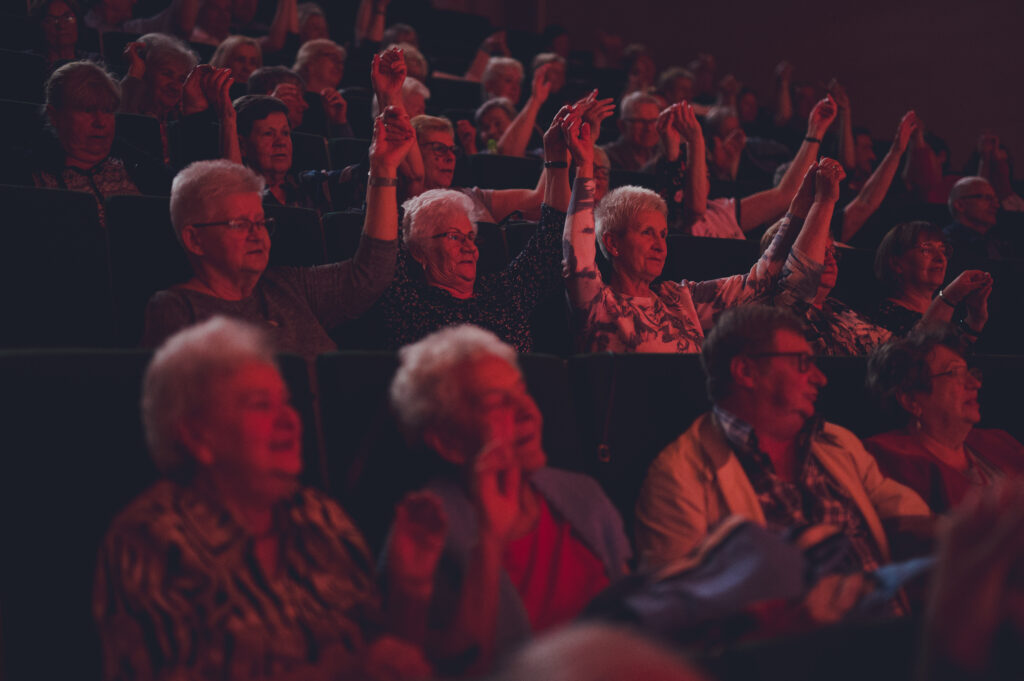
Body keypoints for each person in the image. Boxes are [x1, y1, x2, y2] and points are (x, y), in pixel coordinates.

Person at [95, 316, 439, 681]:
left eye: (287, 402)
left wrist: (410, 590)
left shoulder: (319, 515)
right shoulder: (150, 540)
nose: (290, 420)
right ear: (197, 436)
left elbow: (389, 661)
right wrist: (339, 670)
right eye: (261, 405)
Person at [384, 325, 631, 671]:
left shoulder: (583, 494)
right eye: (496, 403)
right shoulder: (425, 530)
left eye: (522, 390)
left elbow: (637, 617)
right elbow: (457, 670)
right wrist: (488, 539)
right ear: (447, 442)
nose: (527, 411)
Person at [634, 304, 932, 571]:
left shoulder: (837, 442)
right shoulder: (677, 478)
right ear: (746, 372)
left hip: (891, 621)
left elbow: (904, 512)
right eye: (803, 362)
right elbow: (676, 606)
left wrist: (955, 535)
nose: (821, 377)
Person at [141, 106, 412, 357]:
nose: (257, 234)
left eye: (260, 222)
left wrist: (383, 168)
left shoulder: (286, 286)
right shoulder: (176, 309)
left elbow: (371, 274)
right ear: (194, 239)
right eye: (239, 224)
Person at [560, 106, 828, 354]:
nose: (660, 244)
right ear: (612, 243)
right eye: (646, 233)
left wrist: (803, 210)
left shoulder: (678, 299)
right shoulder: (600, 305)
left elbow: (757, 284)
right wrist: (584, 169)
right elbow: (577, 260)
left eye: (663, 234)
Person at [371, 105, 574, 352]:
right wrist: (385, 164)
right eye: (455, 237)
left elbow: (551, 237)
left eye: (470, 237)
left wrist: (556, 156)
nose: (470, 248)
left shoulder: (501, 294)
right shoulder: (409, 305)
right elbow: (381, 245)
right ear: (419, 250)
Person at [864, 330, 1024, 513]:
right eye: (955, 373)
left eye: (969, 372)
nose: (975, 384)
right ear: (911, 401)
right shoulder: (886, 457)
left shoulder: (998, 440)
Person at [658, 95, 838, 238]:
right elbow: (693, 210)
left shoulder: (720, 213)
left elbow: (785, 194)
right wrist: (695, 140)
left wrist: (815, 131)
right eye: (697, 175)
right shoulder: (677, 221)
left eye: (704, 174)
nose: (704, 180)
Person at [872, 221, 992, 339]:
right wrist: (950, 296)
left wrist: (975, 319)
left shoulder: (950, 313)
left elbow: (955, 355)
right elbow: (922, 352)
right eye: (927, 250)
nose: (940, 258)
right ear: (896, 263)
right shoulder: (885, 316)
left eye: (943, 250)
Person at [292, 38, 353, 137]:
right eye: (333, 58)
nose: (339, 65)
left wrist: (339, 123)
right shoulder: (293, 101)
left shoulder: (341, 106)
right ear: (309, 63)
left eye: (341, 62)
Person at [944, 176, 1011, 260]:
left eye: (995, 199)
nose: (996, 205)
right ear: (960, 205)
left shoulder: (997, 242)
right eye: (987, 198)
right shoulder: (945, 245)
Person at [601, 91, 661, 171]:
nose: (649, 128)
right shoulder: (606, 157)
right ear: (622, 125)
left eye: (654, 121)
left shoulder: (662, 153)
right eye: (641, 121)